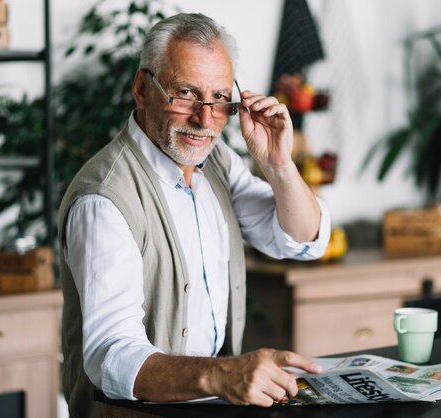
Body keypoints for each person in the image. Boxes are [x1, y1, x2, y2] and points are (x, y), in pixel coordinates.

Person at [57, 12, 331, 418]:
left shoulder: (216, 160)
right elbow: (111, 356)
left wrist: (279, 166)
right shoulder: (105, 199)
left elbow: (303, 240)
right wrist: (223, 375)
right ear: (141, 88)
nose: (205, 120)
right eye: (186, 93)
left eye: (220, 99)